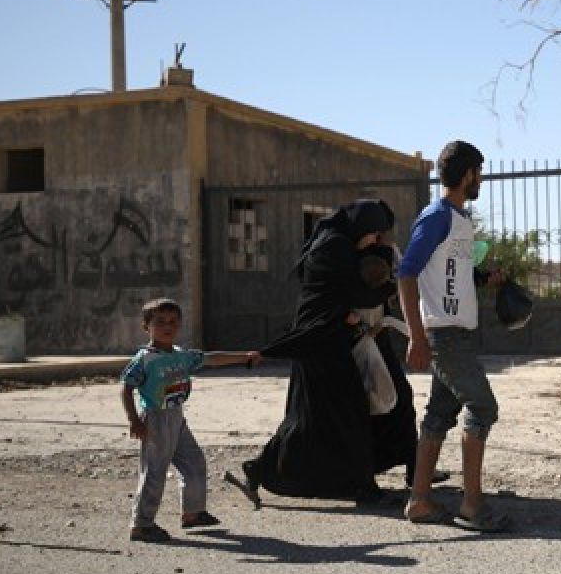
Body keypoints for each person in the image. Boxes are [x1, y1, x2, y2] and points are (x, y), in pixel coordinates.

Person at [231, 199, 429, 506]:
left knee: (323, 418)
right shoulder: (333, 248)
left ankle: (263, 469)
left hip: (333, 341)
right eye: (374, 234)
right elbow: (354, 293)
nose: (374, 241)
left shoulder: (339, 244)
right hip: (321, 344)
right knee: (328, 417)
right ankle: (357, 485)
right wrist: (394, 286)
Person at [399, 140, 511, 531]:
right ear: (468, 175)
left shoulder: (461, 220)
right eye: (479, 172)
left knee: (439, 415)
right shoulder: (436, 217)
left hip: (457, 335)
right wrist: (416, 335)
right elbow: (408, 274)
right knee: (482, 408)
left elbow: (447, 274)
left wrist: (483, 278)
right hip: (444, 336)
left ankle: (420, 501)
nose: (481, 179)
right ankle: (472, 506)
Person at [121, 298, 260, 543]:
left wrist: (244, 357)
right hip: (156, 419)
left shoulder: (181, 355)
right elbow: (126, 388)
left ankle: (193, 513)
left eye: (173, 322)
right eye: (160, 321)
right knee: (154, 472)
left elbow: (212, 358)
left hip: (176, 417)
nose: (168, 326)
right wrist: (134, 420)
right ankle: (142, 525)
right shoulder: (145, 358)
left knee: (194, 462)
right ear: (146, 326)